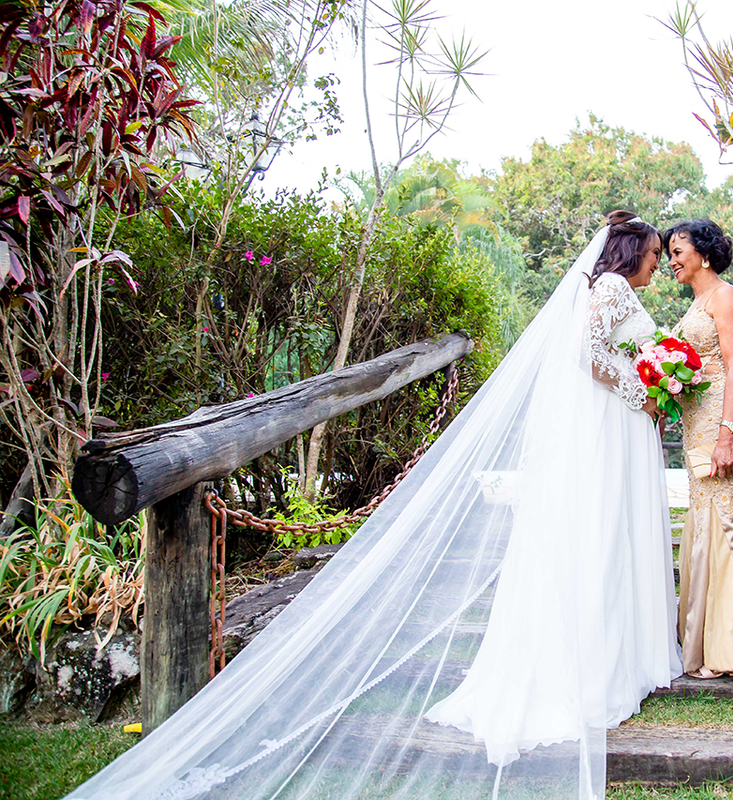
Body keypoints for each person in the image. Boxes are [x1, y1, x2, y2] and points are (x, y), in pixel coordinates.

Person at [64, 212, 681, 800]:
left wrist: (650, 381)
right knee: (599, 536)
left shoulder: (601, 288)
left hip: (608, 426)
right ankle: (592, 666)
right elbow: (588, 356)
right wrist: (641, 387)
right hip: (609, 421)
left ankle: (610, 654)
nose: (658, 264)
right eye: (656, 254)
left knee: (603, 535)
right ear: (633, 254)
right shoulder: (611, 291)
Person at [664, 218, 733, 679]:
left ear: (704, 254)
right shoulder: (698, 302)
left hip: (718, 420)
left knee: (724, 519)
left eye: (678, 251)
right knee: (705, 517)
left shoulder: (726, 297)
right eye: (669, 253)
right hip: (696, 420)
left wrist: (728, 434)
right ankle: (702, 638)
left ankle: (728, 648)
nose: (672, 260)